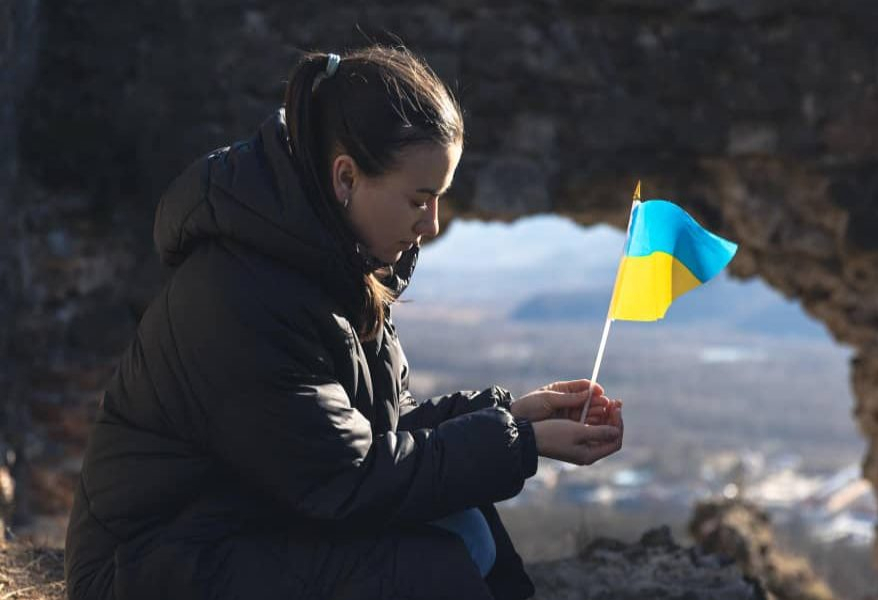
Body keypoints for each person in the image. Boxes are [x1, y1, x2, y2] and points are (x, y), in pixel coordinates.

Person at [63, 44, 624, 600]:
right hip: (148, 567)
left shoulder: (334, 264)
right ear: (346, 178)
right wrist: (518, 445)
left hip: (246, 524)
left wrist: (510, 415)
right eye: (418, 200)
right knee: (426, 572)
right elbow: (344, 476)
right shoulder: (240, 294)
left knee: (463, 520)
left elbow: (376, 427)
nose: (430, 225)